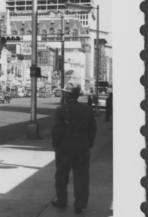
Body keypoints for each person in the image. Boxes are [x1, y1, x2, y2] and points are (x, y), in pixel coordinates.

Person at [51, 85, 97, 214]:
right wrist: (89, 143)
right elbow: (92, 129)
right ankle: (79, 204)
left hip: (65, 147)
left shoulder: (61, 109)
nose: (64, 96)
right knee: (81, 176)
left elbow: (56, 130)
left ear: (69, 95)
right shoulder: (87, 110)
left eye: (65, 94)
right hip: (82, 146)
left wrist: (56, 144)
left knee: (61, 174)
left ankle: (61, 200)